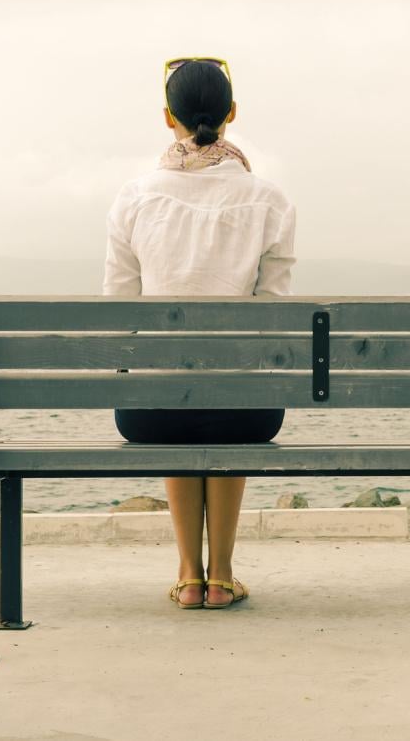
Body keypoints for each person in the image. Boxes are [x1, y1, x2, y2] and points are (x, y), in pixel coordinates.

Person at [102, 57, 296, 610]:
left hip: (150, 410)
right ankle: (223, 575)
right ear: (232, 113)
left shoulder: (134, 198)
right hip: (249, 410)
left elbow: (118, 306)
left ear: (170, 118)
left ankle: (189, 575)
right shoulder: (270, 199)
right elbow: (274, 311)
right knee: (230, 390)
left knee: (169, 389)